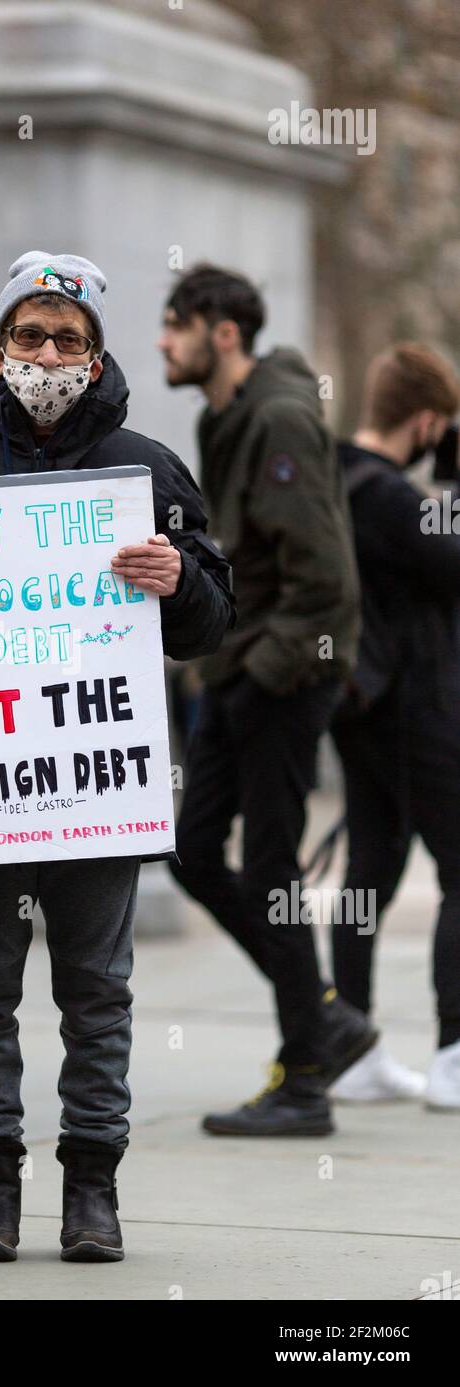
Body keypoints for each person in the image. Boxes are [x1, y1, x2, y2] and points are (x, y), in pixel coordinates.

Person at [0, 250, 234, 1263]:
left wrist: (177, 578)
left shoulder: (146, 468)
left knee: (95, 993)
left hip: (92, 791)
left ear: (96, 352)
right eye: (29, 334)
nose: (47, 354)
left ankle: (91, 1193)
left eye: (69, 338)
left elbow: (208, 616)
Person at [158, 263, 373, 1137]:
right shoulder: (227, 418)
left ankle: (308, 1078)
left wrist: (261, 675)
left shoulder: (279, 418)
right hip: (241, 674)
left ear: (223, 331)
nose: (164, 343)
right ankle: (323, 1016)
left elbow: (326, 583)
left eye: (175, 326)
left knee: (275, 869)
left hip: (284, 678)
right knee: (195, 852)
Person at [326, 344, 460, 1107]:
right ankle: (454, 1053)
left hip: (363, 713)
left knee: (366, 880)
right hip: (422, 712)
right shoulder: (392, 500)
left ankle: (351, 1049)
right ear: (428, 420)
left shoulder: (338, 479)